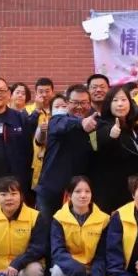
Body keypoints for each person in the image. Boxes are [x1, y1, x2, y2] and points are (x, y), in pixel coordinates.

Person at [46, 176, 110, 276]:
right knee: (57, 270)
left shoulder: (104, 219)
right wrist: (79, 272)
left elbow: (103, 254)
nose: (83, 195)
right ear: (69, 195)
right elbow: (58, 252)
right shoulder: (59, 218)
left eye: (87, 191)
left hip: (92, 270)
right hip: (70, 268)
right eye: (78, 191)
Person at [37, 84, 98, 222]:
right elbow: (62, 125)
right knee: (45, 229)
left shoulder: (93, 124)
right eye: (75, 102)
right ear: (67, 103)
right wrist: (81, 122)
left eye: (84, 103)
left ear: (90, 104)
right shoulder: (57, 120)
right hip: (51, 190)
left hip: (78, 193)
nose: (79, 107)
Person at [90, 85, 138, 214]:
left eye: (123, 100)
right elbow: (99, 147)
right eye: (115, 100)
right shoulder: (102, 126)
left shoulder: (132, 127)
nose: (120, 104)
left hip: (132, 191)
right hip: (112, 195)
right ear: (108, 104)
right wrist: (111, 137)